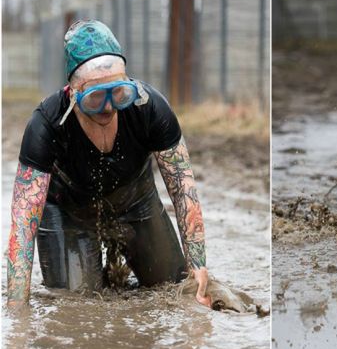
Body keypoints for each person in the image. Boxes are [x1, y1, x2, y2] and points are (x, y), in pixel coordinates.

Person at [6, 20, 212, 310]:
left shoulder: (150, 109)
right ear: (72, 92)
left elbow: (184, 190)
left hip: (136, 202)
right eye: (94, 98)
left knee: (175, 289)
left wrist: (198, 269)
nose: (107, 107)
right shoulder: (47, 125)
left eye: (118, 94)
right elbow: (23, 226)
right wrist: (17, 313)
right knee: (75, 306)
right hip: (68, 212)